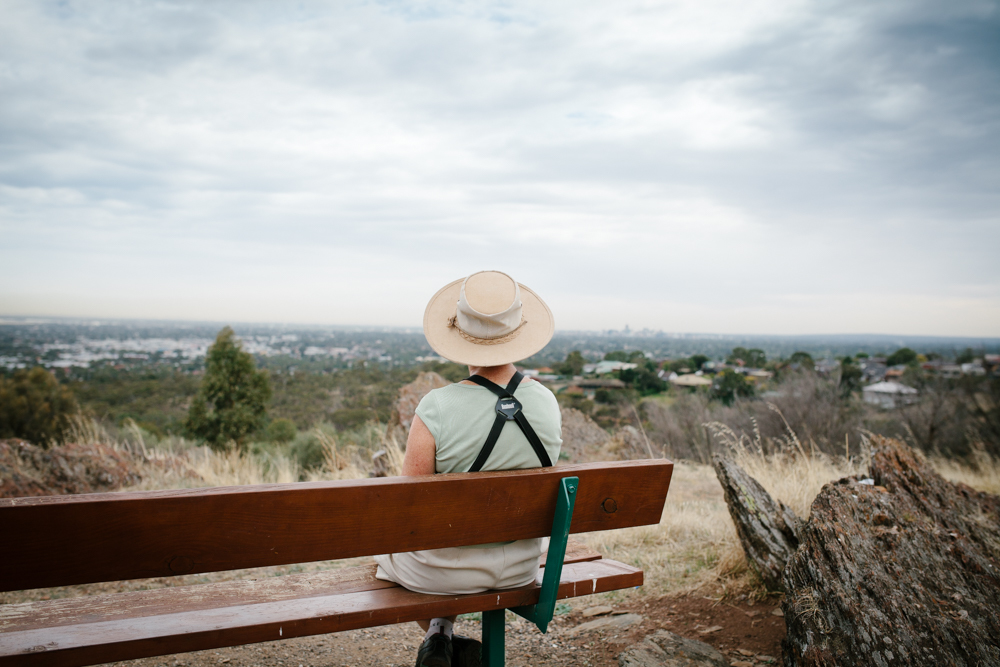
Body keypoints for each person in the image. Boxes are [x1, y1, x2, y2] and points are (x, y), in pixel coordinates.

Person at [375, 270, 563, 667]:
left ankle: (440, 629)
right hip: (520, 568)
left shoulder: (436, 407)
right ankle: (442, 633)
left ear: (459, 334)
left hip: (440, 574)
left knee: (383, 550)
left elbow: (410, 506)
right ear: (518, 332)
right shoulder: (546, 402)